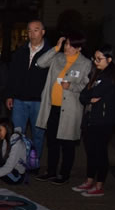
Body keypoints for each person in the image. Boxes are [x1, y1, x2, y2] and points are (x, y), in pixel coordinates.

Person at [35, 33, 91, 185]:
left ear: (78, 48)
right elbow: (40, 62)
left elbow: (86, 86)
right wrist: (56, 48)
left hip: (71, 110)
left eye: (70, 46)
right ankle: (50, 171)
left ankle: (64, 174)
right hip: (53, 106)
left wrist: (71, 86)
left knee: (68, 144)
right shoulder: (57, 57)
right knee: (52, 142)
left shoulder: (85, 63)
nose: (67, 48)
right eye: (66, 44)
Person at [74, 44, 115, 197]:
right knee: (90, 152)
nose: (96, 61)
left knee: (100, 153)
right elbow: (83, 96)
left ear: (109, 59)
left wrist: (89, 96)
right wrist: (89, 97)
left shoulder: (111, 76)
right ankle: (89, 181)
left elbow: (95, 93)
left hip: (103, 121)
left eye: (99, 58)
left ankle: (99, 185)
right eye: (94, 58)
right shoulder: (96, 74)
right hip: (90, 119)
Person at [5, 20, 52, 165]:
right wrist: (10, 95)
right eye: (29, 30)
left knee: (38, 135)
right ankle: (17, 162)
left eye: (36, 30)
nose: (32, 34)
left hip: (39, 101)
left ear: (43, 32)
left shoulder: (51, 53)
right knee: (17, 134)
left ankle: (33, 163)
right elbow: (12, 75)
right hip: (19, 100)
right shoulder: (21, 51)